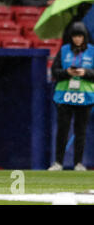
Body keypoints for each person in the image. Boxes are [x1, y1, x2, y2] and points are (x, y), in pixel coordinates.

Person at [49, 22, 94, 171]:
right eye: (75, 36)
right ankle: (58, 163)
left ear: (85, 37)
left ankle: (78, 163)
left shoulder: (92, 52)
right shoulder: (64, 50)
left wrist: (85, 73)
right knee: (62, 130)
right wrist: (67, 73)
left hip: (85, 96)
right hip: (65, 96)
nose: (77, 39)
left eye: (80, 36)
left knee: (80, 131)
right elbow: (55, 71)